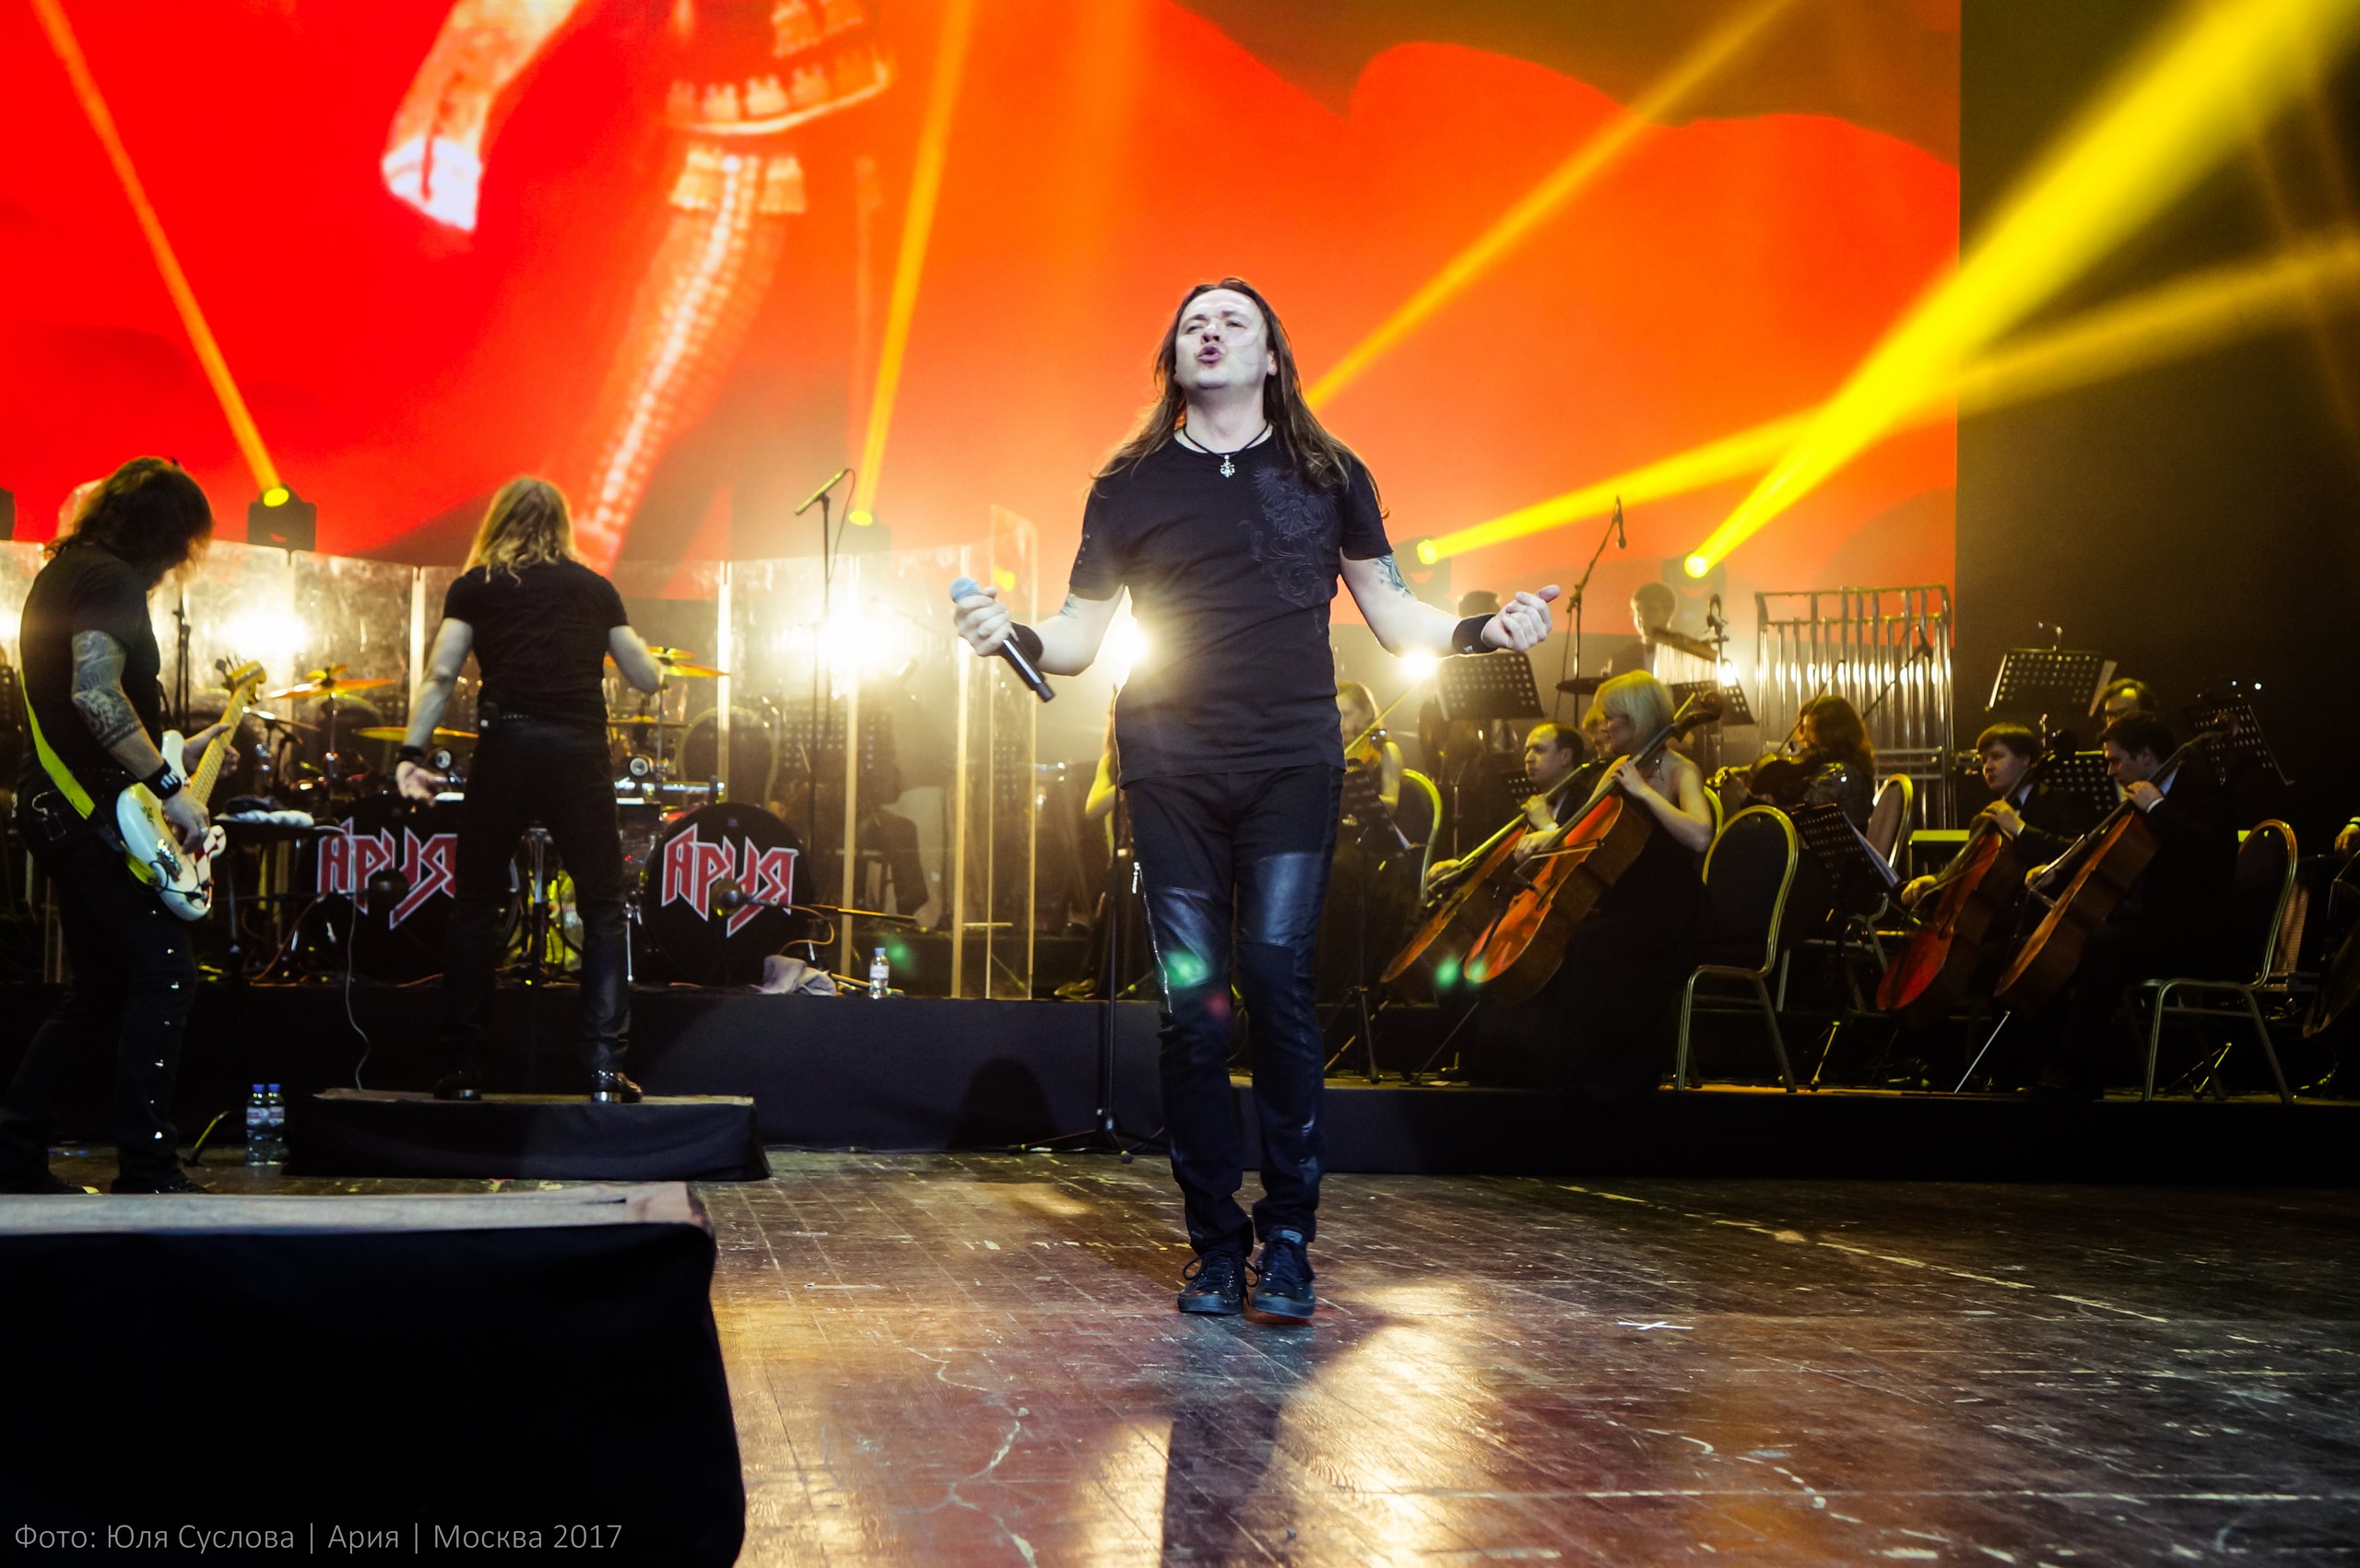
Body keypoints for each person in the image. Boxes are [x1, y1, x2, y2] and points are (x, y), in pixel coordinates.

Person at [950, 277, 1557, 1324]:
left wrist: (1481, 633)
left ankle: (1286, 1238)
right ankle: (1213, 1244)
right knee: (1193, 1009)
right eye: (1194, 322)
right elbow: (1080, 638)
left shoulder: (1327, 471)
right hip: (1170, 763)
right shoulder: (1130, 482)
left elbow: (1392, 612)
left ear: (1271, 355)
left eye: (1234, 321)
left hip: (1289, 760)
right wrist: (1013, 635)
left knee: (1275, 982)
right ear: (1174, 358)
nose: (1212, 332)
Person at [397, 477, 664, 1102]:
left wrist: (410, 754)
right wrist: (642, 655)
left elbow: (441, 674)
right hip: (578, 752)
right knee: (603, 907)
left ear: (498, 522)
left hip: (507, 746)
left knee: (475, 905)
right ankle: (603, 1068)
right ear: (562, 525)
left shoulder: (476, 586)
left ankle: (463, 1068)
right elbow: (647, 677)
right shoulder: (594, 588)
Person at [0, 458, 226, 1195]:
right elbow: (94, 695)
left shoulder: (67, 572)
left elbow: (84, 713)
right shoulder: (112, 581)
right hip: (90, 813)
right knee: (166, 972)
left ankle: (14, 1149)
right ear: (167, 533)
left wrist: (174, 750)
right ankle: (148, 1165)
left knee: (97, 989)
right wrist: (169, 787)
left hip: (60, 807)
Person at [1475, 673, 1716, 1101]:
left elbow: (1700, 835)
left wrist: (1645, 792)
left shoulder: (1682, 771)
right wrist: (1544, 839)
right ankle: (1545, 1067)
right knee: (1575, 940)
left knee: (1592, 946)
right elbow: (1575, 833)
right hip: (1624, 905)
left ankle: (1610, 1076)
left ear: (1637, 718)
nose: (1603, 727)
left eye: (1611, 718)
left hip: (1672, 913)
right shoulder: (1613, 773)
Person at [2013, 713, 2236, 1099]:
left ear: (2146, 755)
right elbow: (2103, 853)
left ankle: (2078, 1074)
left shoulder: (2204, 794)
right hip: (2147, 923)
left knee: (2104, 944)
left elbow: (2208, 854)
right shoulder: (2139, 797)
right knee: (2061, 940)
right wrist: (2056, 871)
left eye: (2115, 760)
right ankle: (2041, 1063)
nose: (2109, 770)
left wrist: (2158, 808)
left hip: (2193, 931)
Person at [1898, 723, 2094, 909]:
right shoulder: (1984, 820)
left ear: (2025, 759)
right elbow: (1969, 875)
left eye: (1997, 756)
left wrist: (2020, 829)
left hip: (2047, 912)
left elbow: (2080, 851)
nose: (1988, 766)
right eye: (1984, 760)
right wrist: (1936, 880)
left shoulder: (2059, 801)